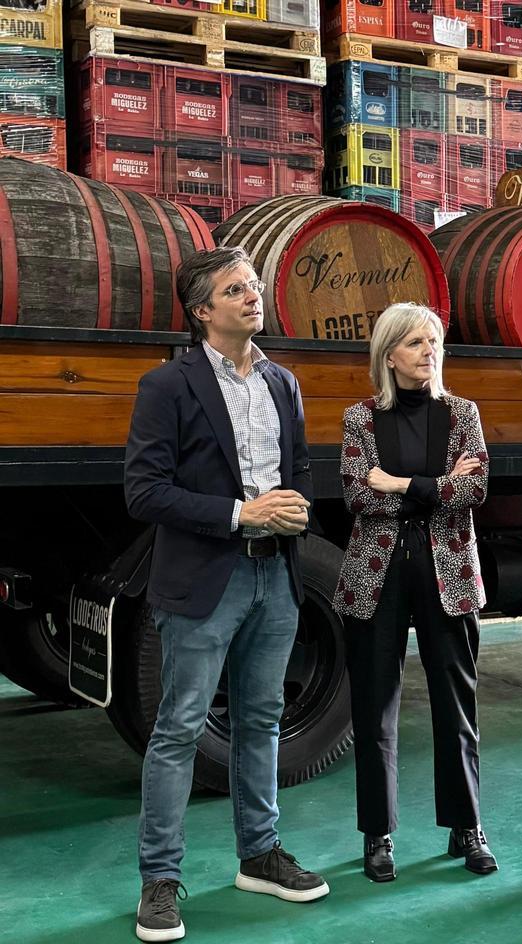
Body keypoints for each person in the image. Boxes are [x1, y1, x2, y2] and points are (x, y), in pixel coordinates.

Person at [125, 246, 328, 943]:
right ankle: (159, 880)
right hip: (207, 578)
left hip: (276, 576)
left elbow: (299, 468)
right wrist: (242, 513)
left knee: (262, 719)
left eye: (253, 285)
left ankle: (259, 855)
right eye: (235, 289)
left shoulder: (282, 382)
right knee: (180, 727)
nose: (252, 295)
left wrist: (297, 509)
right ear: (202, 310)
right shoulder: (167, 386)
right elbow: (144, 492)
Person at [334, 303, 497, 881]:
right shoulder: (360, 418)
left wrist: (400, 483)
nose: (429, 351)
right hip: (376, 577)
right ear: (388, 355)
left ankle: (466, 826)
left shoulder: (461, 413)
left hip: (447, 575)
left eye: (433, 341)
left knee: (457, 706)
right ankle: (377, 834)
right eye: (415, 343)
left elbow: (475, 488)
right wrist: (436, 486)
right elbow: (357, 493)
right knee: (374, 707)